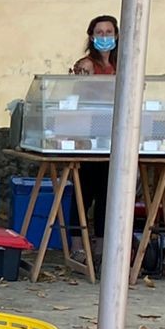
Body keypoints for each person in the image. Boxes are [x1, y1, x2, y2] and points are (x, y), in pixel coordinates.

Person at [70, 14, 120, 240]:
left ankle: (102, 245)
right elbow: (80, 96)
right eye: (99, 33)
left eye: (108, 32)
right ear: (91, 37)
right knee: (84, 192)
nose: (104, 37)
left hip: (114, 134)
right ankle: (78, 246)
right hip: (89, 132)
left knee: (108, 194)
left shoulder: (122, 65)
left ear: (116, 35)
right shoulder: (86, 65)